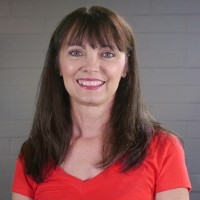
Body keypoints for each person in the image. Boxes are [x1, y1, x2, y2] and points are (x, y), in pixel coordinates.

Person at [12, 5, 191, 200]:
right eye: (76, 52)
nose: (91, 66)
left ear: (125, 67)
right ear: (58, 64)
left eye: (107, 54)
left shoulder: (163, 148)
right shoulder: (32, 154)